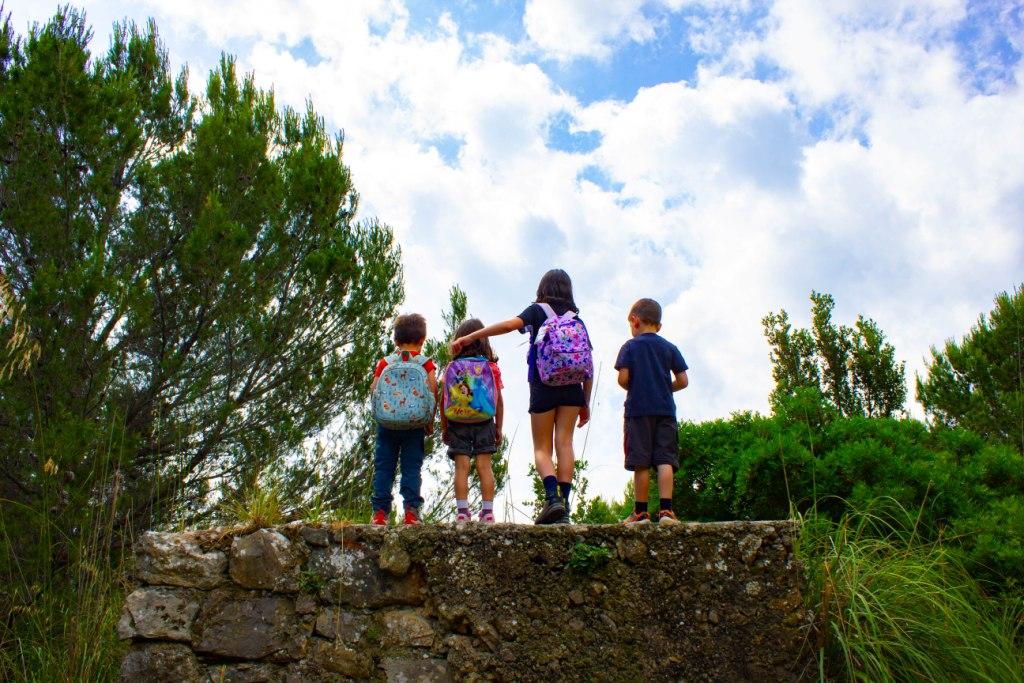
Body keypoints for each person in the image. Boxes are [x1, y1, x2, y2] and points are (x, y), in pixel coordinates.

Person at [450, 269, 592, 524]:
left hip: (543, 387)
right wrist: (586, 402)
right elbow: (588, 364)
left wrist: (470, 336)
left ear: (542, 288)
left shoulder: (537, 311)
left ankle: (552, 499)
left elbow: (507, 326)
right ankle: (565, 508)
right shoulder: (577, 321)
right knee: (565, 444)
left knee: (542, 448)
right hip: (573, 389)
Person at [615, 298, 689, 526]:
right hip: (665, 410)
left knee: (641, 462)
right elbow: (683, 381)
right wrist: (665, 387)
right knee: (665, 459)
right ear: (659, 325)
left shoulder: (630, 346)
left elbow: (623, 378)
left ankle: (640, 513)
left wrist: (637, 387)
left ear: (635, 321)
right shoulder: (669, 347)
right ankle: (666, 512)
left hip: (638, 411)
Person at [370, 313, 437, 526]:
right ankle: (411, 512)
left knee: (384, 467)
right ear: (422, 340)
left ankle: (380, 513)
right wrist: (429, 421)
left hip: (386, 424)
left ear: (396, 341)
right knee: (411, 468)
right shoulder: (425, 363)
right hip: (414, 425)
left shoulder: (385, 362)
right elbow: (433, 391)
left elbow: (374, 389)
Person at [440, 319, 503, 523]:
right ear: (483, 341)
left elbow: (444, 400)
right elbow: (498, 401)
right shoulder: (491, 367)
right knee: (485, 466)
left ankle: (462, 511)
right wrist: (498, 427)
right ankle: (488, 512)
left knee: (461, 467)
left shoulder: (451, 367)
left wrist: (444, 427)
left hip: (457, 420)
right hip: (484, 420)